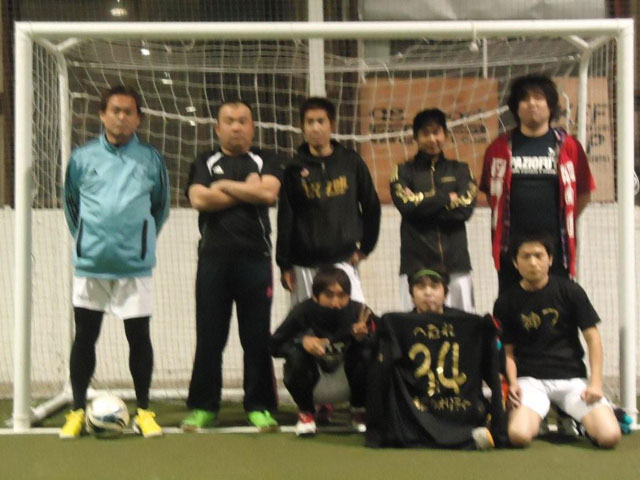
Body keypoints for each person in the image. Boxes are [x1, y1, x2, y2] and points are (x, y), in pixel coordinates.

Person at [61, 85, 170, 439]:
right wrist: (88, 238)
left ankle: (144, 412)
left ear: (138, 118)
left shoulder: (151, 160)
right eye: (115, 111)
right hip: (91, 264)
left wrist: (140, 240)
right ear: (102, 115)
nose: (121, 117)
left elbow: (159, 208)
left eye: (128, 112)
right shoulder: (82, 158)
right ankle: (77, 410)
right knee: (85, 337)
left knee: (139, 337)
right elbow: (71, 204)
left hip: (133, 267)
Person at [181, 99, 282, 432]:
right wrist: (246, 189)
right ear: (217, 128)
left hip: (256, 261)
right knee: (210, 338)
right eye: (229, 121)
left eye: (242, 121)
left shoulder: (266, 159)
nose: (236, 126)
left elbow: (268, 195)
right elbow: (199, 199)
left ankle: (259, 407)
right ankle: (203, 407)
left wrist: (223, 187)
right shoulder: (205, 160)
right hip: (213, 262)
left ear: (252, 127)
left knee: (256, 339)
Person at [493, 234, 620, 448]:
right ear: (515, 262)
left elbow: (593, 339)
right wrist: (512, 383)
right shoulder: (505, 301)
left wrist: (596, 383)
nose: (533, 262)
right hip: (530, 381)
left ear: (550, 260)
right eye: (526, 256)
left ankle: (577, 419)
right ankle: (540, 415)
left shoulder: (571, 291)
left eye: (538, 255)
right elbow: (508, 352)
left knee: (609, 437)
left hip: (572, 379)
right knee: (518, 435)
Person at [366, 269, 506, 450]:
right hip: (414, 411)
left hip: (457, 407)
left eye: (434, 286)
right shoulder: (397, 325)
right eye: (421, 287)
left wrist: (488, 330)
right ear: (411, 296)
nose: (428, 292)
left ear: (445, 293)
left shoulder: (470, 324)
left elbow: (492, 363)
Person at [480, 74, 595, 294]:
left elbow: (583, 193)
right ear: (516, 107)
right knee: (513, 306)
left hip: (556, 247)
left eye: (539, 97)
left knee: (558, 304)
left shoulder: (570, 147)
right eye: (524, 98)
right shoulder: (498, 148)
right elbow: (491, 193)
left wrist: (564, 219)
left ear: (550, 105)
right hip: (511, 247)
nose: (531, 103)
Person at [276, 97, 381, 305]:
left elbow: (371, 206)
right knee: (307, 324)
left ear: (331, 124)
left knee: (355, 320)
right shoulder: (293, 168)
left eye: (321, 121)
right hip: (304, 266)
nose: (315, 128)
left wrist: (365, 248)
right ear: (302, 127)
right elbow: (286, 218)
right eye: (310, 122)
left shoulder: (351, 162)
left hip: (343, 262)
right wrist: (284, 264)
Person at [390, 108, 477, 312]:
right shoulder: (402, 171)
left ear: (445, 134)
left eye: (436, 132)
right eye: (425, 133)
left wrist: (421, 202)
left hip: (456, 265)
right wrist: (447, 197)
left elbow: (464, 210)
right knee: (415, 325)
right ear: (415, 137)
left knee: (463, 323)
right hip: (416, 265)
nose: (432, 139)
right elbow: (406, 206)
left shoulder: (461, 170)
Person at [270, 266, 373, 437]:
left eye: (341, 296)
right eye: (329, 295)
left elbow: (383, 345)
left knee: (368, 353)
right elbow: (274, 346)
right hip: (313, 384)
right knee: (295, 355)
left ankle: (358, 410)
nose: (335, 303)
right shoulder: (302, 312)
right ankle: (306, 413)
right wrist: (301, 342)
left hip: (347, 383)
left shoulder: (359, 312)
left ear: (349, 295)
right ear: (315, 296)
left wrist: (365, 339)